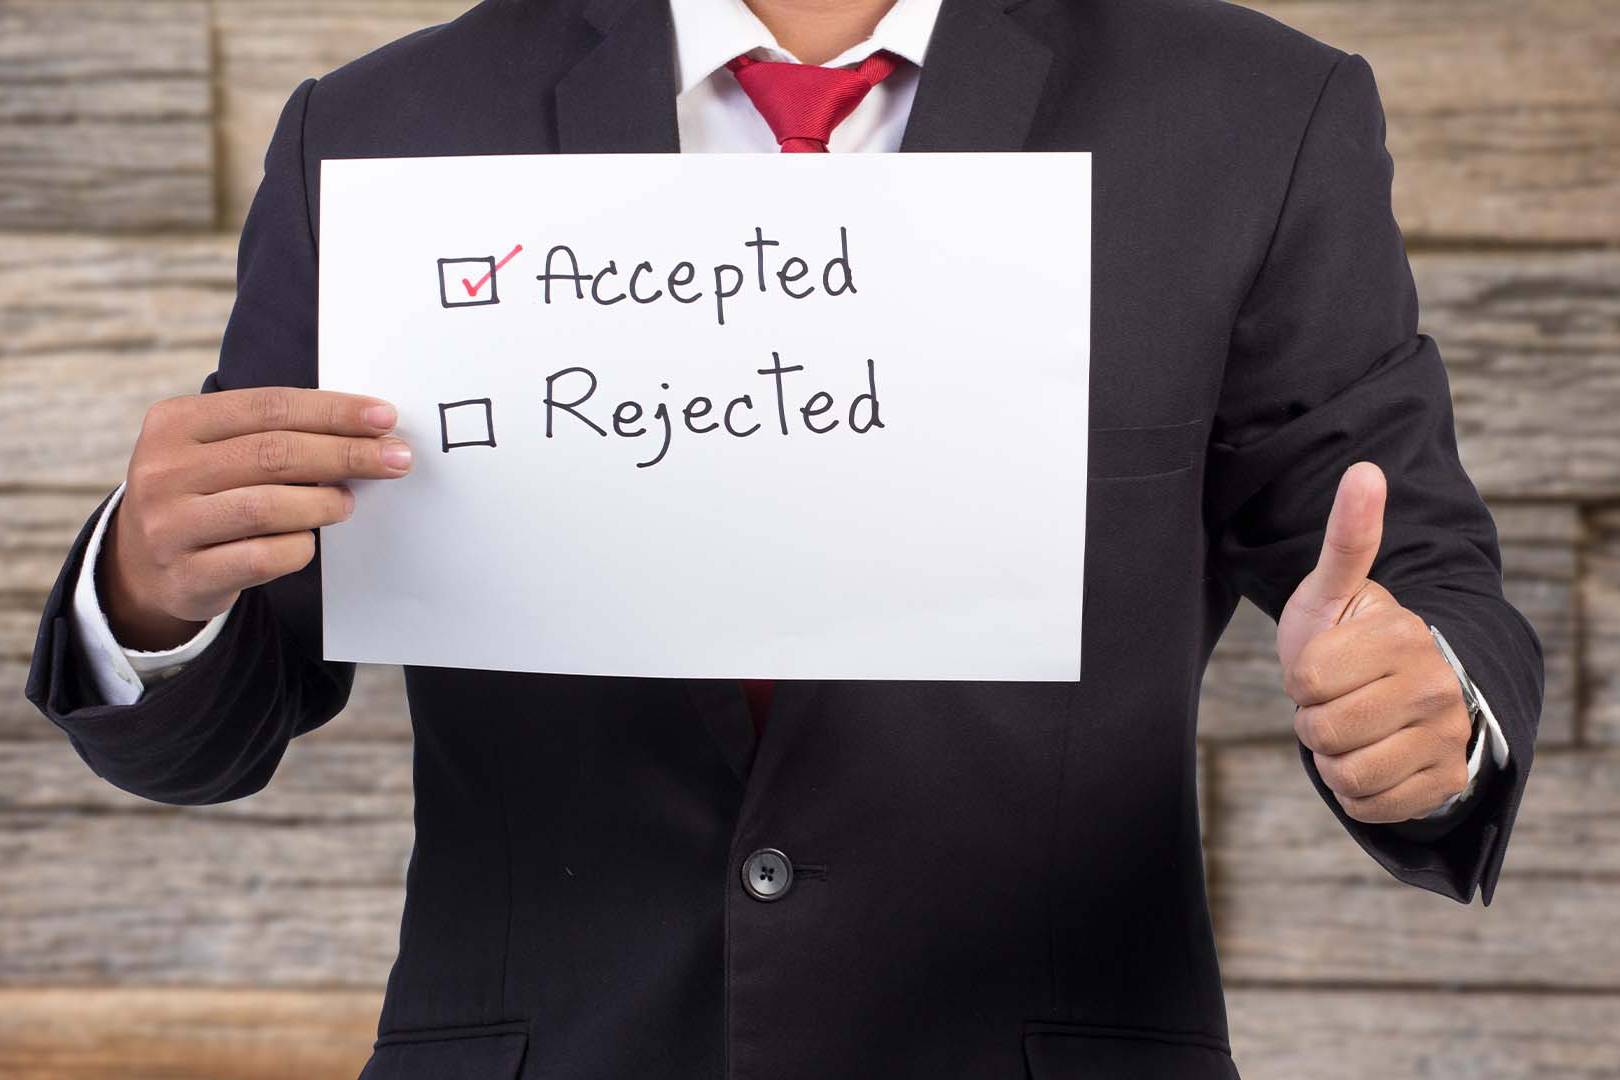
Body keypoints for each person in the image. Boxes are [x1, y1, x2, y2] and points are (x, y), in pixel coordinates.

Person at [26, 0, 1542, 1077]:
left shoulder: (1254, 117)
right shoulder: (379, 130)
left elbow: (1424, 579)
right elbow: (224, 715)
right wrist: (150, 591)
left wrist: (1429, 718)